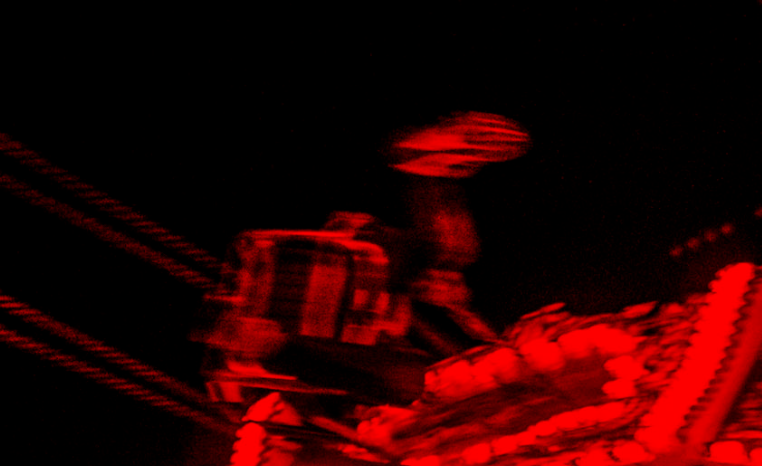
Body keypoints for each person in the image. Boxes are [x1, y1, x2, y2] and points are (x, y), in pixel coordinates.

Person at [201, 111, 527, 416]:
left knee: (443, 266)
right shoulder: (288, 352)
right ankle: (428, 174)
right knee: (445, 265)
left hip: (348, 302)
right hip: (357, 308)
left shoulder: (283, 337)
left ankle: (428, 174)